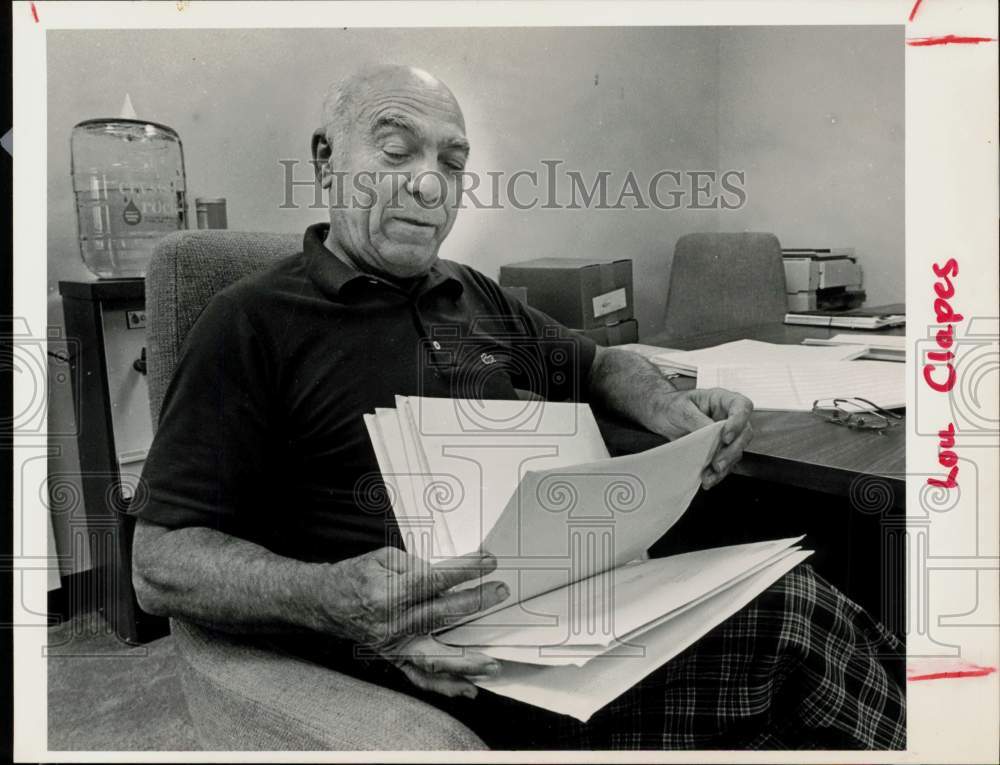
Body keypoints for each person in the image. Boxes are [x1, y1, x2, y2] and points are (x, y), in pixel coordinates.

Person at [131, 65, 904, 749]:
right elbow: (158, 563)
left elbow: (602, 365)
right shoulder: (251, 322)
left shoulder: (472, 294)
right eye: (396, 151)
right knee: (793, 618)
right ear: (325, 162)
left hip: (574, 603)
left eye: (452, 161)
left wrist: (677, 410)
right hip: (459, 661)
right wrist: (329, 598)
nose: (429, 183)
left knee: (799, 572)